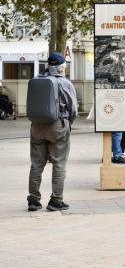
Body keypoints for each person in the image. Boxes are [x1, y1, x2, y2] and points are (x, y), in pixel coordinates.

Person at [27, 52, 78, 211]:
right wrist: (68, 124)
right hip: (57, 126)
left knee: (36, 164)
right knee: (59, 163)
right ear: (62, 68)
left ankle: (34, 199)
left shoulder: (36, 80)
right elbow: (73, 109)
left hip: (36, 126)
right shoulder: (65, 84)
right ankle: (56, 200)